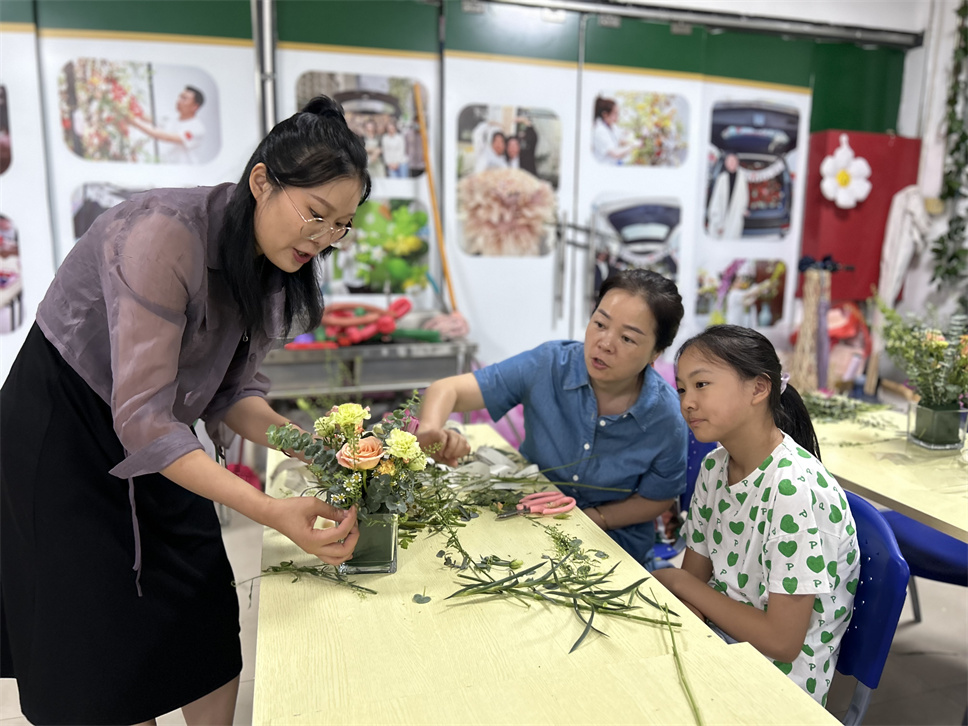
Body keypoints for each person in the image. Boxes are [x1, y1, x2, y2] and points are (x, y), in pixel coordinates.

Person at [0, 96, 369, 725]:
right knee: (100, 643)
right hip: (67, 432)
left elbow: (233, 395)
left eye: (342, 224)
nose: (325, 237)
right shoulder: (162, 235)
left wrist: (319, 452)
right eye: (316, 213)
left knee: (203, 613)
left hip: (160, 434)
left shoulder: (274, 269)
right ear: (262, 183)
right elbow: (142, 416)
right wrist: (274, 512)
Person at [417, 269, 688, 569]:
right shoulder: (548, 364)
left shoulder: (667, 417)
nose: (605, 343)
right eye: (599, 324)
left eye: (627, 338)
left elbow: (658, 498)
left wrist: (592, 520)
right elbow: (448, 389)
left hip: (612, 546)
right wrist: (431, 430)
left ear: (656, 353)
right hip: (530, 521)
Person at [654, 325, 859, 706]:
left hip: (774, 687)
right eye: (682, 388)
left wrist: (676, 583)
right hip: (717, 642)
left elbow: (781, 642)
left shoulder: (794, 491)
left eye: (702, 385)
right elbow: (696, 582)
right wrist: (685, 591)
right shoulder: (716, 467)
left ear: (758, 388)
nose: (687, 402)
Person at [127, 85, 207, 164]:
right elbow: (144, 117)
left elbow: (165, 137)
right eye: (180, 97)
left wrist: (134, 122)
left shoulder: (197, 128)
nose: (179, 100)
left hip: (184, 172)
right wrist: (128, 101)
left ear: (195, 106)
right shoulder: (171, 117)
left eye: (184, 98)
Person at [706, 152, 750, 239]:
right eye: (730, 161)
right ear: (726, 164)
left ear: (737, 163)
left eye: (734, 161)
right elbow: (716, 201)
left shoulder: (742, 179)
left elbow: (744, 196)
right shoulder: (721, 179)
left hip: (734, 219)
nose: (732, 163)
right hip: (721, 219)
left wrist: (743, 209)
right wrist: (718, 223)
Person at [592, 96, 638, 165]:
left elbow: (619, 140)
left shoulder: (612, 126)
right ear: (605, 114)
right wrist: (633, 145)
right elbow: (615, 153)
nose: (617, 116)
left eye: (618, 113)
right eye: (615, 113)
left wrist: (631, 141)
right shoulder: (600, 131)